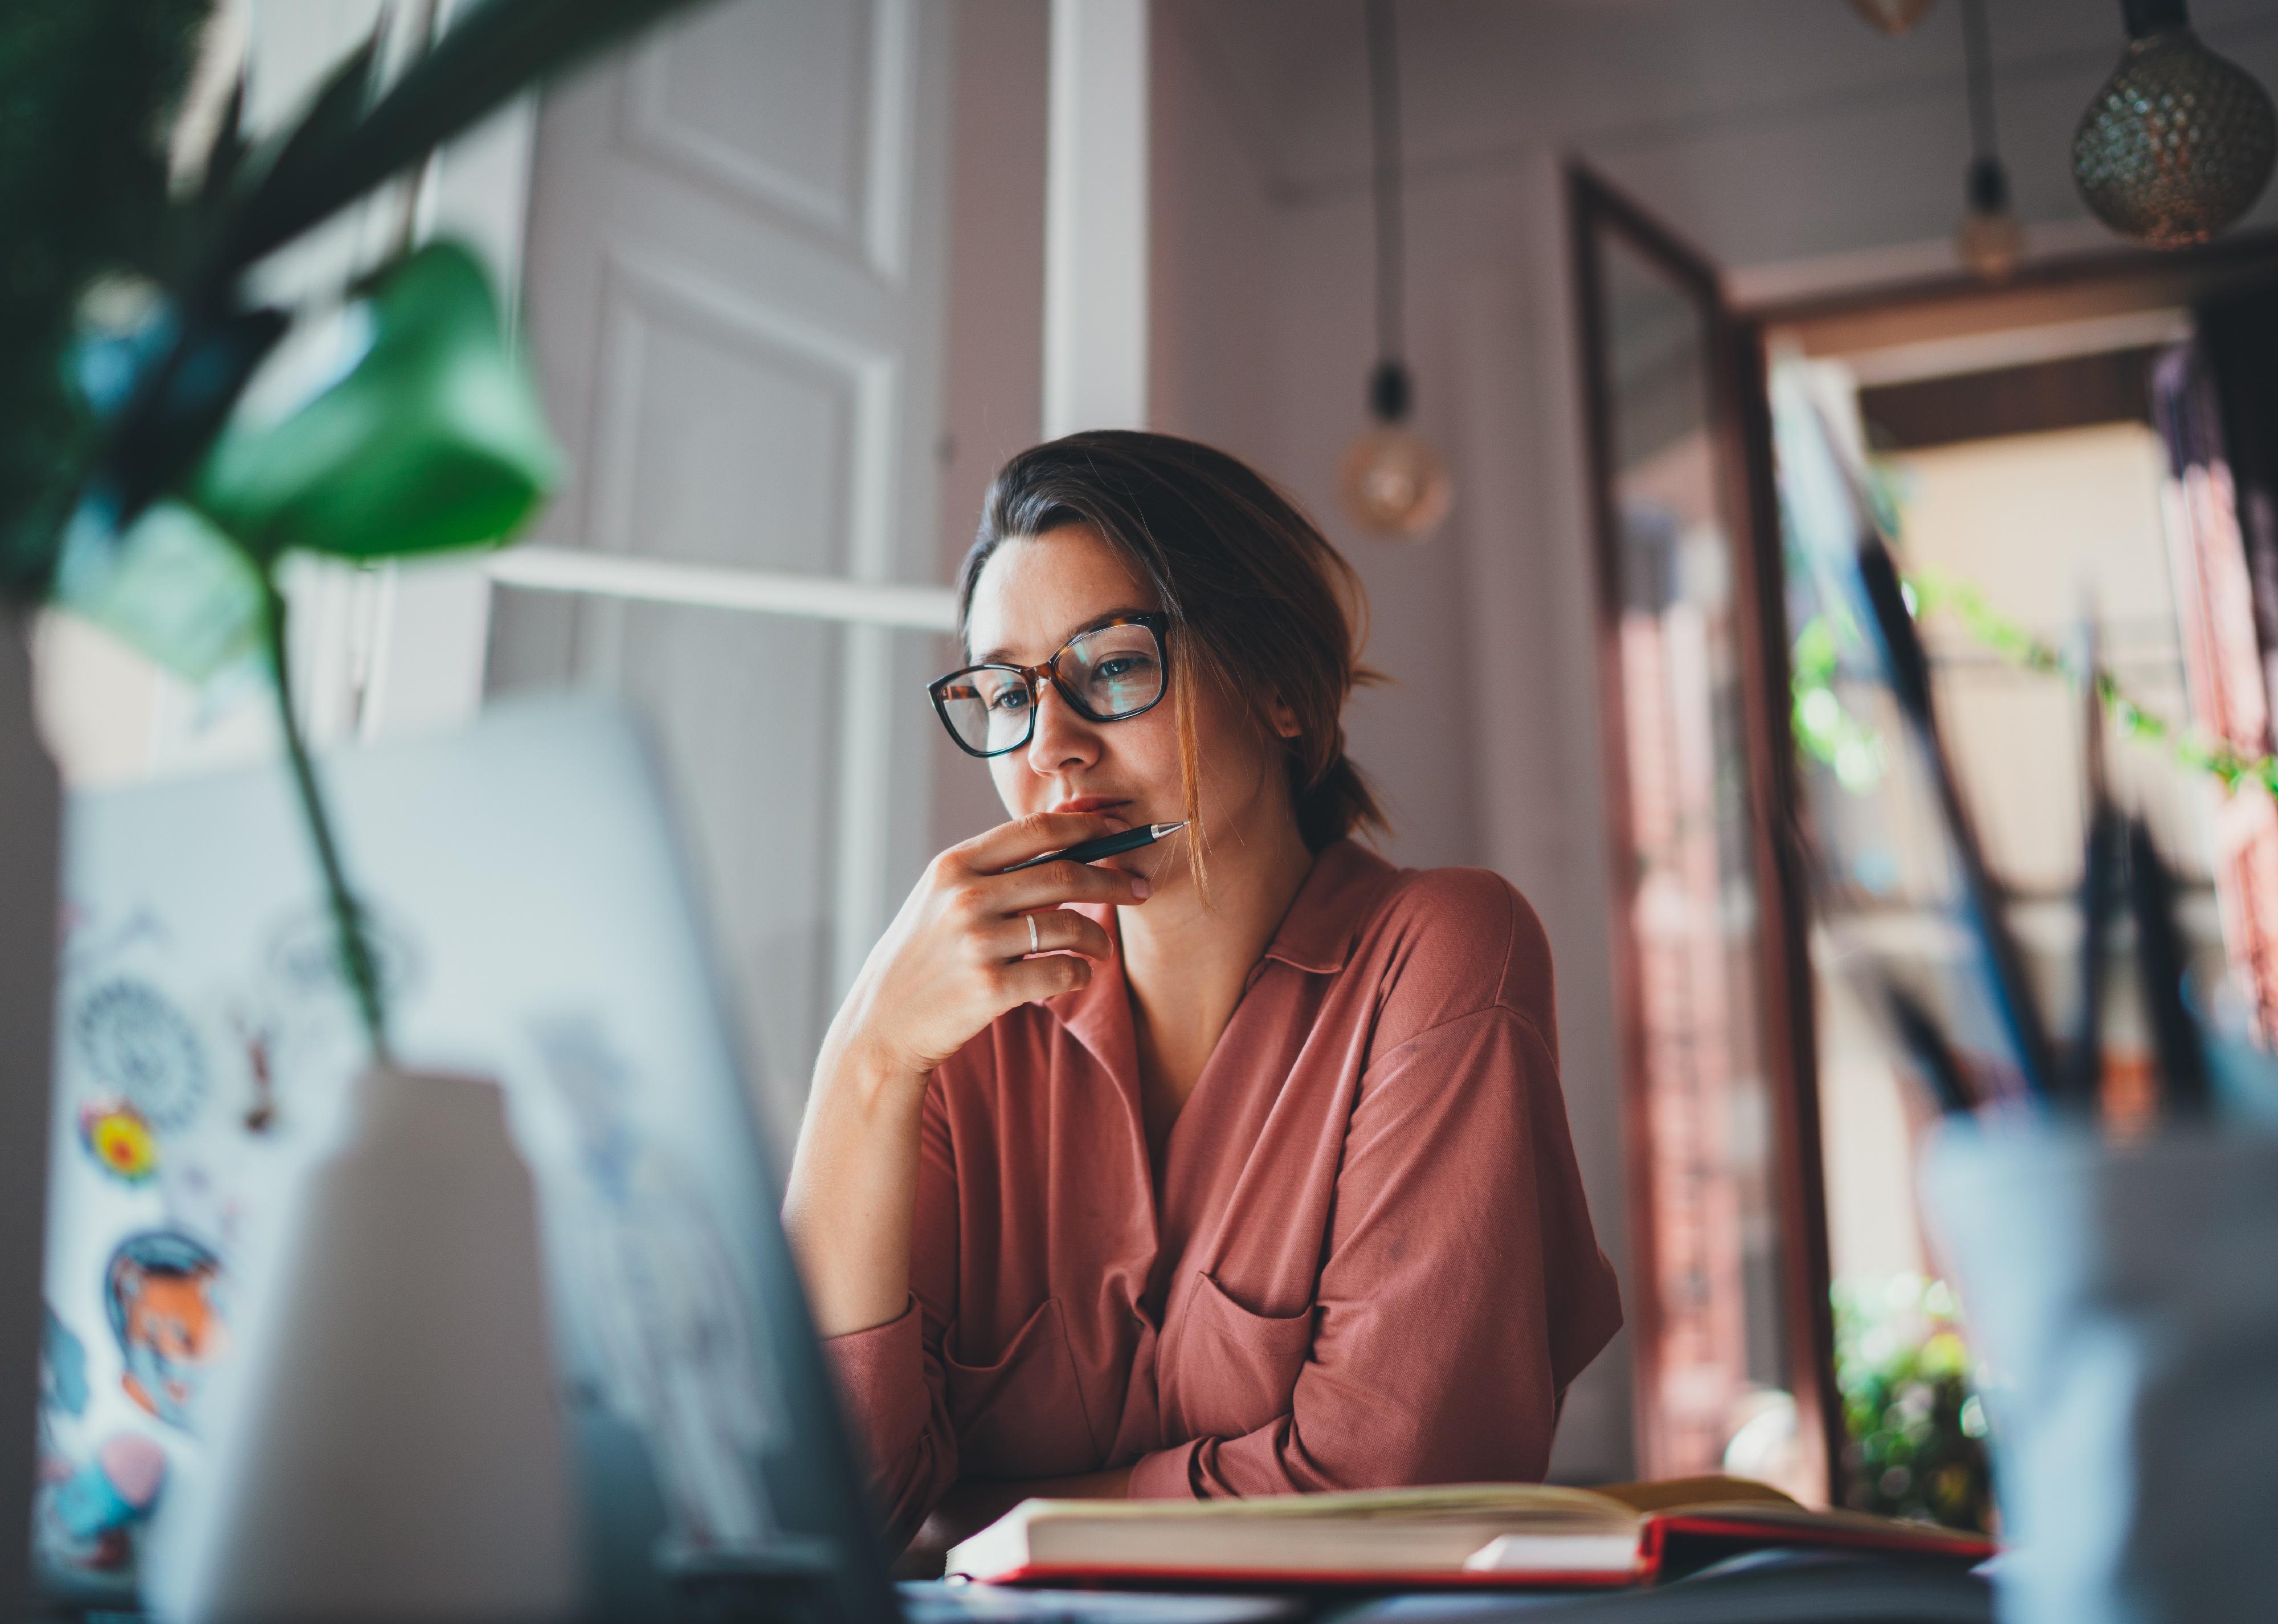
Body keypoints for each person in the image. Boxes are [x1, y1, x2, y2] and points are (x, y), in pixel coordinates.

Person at [783, 431, 1621, 1558]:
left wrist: (980, 1520)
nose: (1055, 752)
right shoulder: (954, 1035)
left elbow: (1388, 1488)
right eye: (1005, 694)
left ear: (1277, 685)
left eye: (1115, 666)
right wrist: (867, 1059)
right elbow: (821, 1514)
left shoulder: (1439, 954)